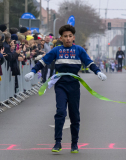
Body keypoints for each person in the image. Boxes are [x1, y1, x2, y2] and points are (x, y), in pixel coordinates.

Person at [24, 24, 107, 153]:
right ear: (61, 38)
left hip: (74, 85)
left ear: (73, 37)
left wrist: (98, 72)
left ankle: (74, 144)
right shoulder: (56, 50)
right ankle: (58, 142)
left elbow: (89, 62)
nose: (68, 39)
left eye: (70, 36)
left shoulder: (79, 50)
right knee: (60, 112)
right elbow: (44, 61)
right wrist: (33, 71)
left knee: (74, 115)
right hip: (61, 84)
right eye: (65, 36)